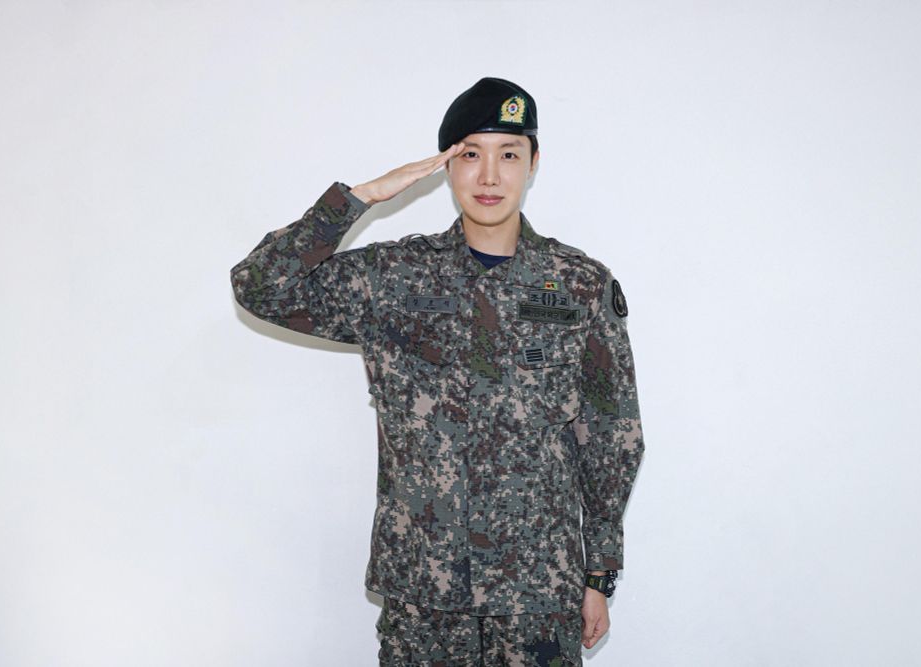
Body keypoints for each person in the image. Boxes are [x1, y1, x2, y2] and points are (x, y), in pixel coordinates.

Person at [230, 77, 644, 665]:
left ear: (534, 163)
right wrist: (359, 198)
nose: (489, 176)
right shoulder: (394, 278)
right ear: (446, 166)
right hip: (424, 593)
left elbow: (611, 434)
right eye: (470, 155)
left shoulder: (580, 285)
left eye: (509, 155)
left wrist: (598, 573)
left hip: (537, 592)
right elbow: (260, 287)